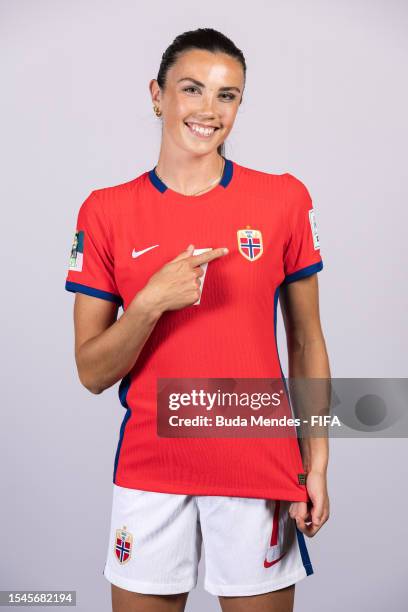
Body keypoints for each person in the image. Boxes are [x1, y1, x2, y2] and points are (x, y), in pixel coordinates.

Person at [65, 27, 330, 612]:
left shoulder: (283, 200)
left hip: (258, 465)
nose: (210, 111)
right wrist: (150, 302)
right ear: (157, 95)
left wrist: (318, 460)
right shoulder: (106, 211)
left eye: (228, 95)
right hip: (150, 466)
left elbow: (307, 342)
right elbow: (91, 371)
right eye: (192, 89)